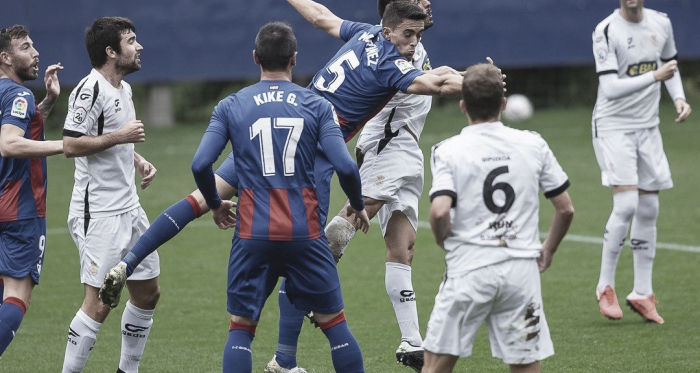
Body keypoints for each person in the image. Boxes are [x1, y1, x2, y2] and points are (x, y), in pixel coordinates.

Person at [190, 21, 370, 373]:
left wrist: (214, 204)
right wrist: (358, 206)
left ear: (256, 57)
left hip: (251, 234)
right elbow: (346, 167)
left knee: (241, 329)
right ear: (295, 59)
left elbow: (200, 163)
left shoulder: (231, 105)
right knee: (335, 325)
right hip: (305, 232)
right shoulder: (317, 106)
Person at [421, 63, 574, 373]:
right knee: (525, 362)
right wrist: (549, 249)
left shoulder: (447, 150)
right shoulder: (533, 144)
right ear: (503, 104)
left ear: (463, 106)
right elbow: (565, 208)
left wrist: (444, 240)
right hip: (520, 272)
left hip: (469, 269)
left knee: (437, 362)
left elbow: (439, 212)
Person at [323, 0, 438, 369]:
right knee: (357, 213)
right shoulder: (389, 49)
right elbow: (431, 83)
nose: (426, 3)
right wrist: (474, 82)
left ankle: (411, 341)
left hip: (405, 144)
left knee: (403, 248)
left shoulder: (410, 40)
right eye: (417, 1)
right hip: (387, 142)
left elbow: (323, 17)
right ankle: (307, 281)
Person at [60, 17, 159, 373]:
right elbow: (71, 144)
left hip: (130, 209)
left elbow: (116, 140)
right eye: (132, 41)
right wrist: (121, 138)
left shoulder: (124, 89)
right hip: (98, 214)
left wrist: (138, 160)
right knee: (100, 303)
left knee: (147, 293)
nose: (139, 47)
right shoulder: (90, 90)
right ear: (111, 52)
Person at [592, 0, 691, 324]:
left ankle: (642, 293)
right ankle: (605, 286)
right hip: (613, 126)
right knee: (627, 205)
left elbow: (669, 63)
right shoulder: (606, 30)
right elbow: (610, 87)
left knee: (650, 208)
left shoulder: (661, 22)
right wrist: (655, 77)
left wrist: (678, 97)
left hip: (647, 127)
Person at [0, 25, 63, 356]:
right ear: (6, 58)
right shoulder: (18, 94)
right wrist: (66, 145)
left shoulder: (10, 96)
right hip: (21, 208)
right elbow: (10, 143)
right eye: (26, 47)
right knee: (17, 295)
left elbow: (23, 125)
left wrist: (49, 102)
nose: (35, 52)